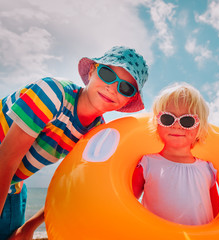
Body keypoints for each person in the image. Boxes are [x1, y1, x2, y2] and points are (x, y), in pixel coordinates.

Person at [0, 46, 149, 240]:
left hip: (12, 186)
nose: (112, 87)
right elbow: (6, 160)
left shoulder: (96, 135)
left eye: (126, 88)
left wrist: (29, 228)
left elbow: (71, 188)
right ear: (92, 71)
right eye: (107, 74)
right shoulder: (53, 93)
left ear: (127, 102)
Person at [132, 83, 219, 225]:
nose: (177, 125)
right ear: (157, 123)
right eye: (167, 118)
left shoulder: (207, 168)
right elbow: (129, 202)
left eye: (187, 121)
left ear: (200, 127)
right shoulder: (147, 163)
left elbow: (217, 212)